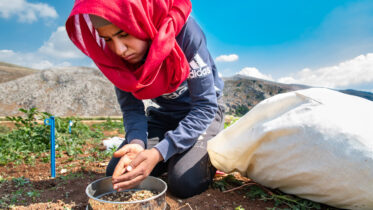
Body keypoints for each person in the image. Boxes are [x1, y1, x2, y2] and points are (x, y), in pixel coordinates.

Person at [66, 0, 225, 198]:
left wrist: (159, 152)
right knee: (120, 172)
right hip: (165, 116)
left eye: (123, 34)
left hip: (203, 115)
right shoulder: (116, 58)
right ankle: (174, 151)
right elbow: (132, 109)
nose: (119, 50)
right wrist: (137, 142)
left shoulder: (184, 32)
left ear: (143, 20)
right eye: (107, 39)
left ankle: (188, 152)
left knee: (184, 181)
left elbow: (204, 105)